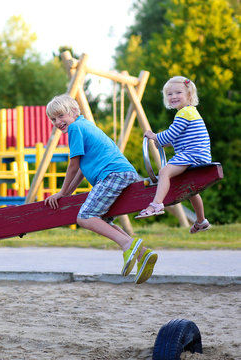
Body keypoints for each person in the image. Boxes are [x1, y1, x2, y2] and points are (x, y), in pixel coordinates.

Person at [44, 94, 157, 284]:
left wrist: (62, 192)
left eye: (60, 116)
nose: (57, 122)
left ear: (73, 112)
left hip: (113, 174)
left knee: (85, 217)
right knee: (101, 219)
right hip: (120, 173)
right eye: (53, 119)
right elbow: (81, 168)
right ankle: (142, 255)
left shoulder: (76, 128)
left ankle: (128, 244)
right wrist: (68, 193)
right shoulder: (84, 125)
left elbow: (73, 165)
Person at [135, 76, 212, 234]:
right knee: (191, 190)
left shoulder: (185, 113)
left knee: (164, 172)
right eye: (170, 94)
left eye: (178, 92)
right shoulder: (190, 113)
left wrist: (154, 136)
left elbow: (170, 134)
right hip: (197, 154)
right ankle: (201, 221)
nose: (174, 96)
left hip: (192, 154)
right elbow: (179, 138)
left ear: (189, 95)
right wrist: (164, 143)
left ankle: (156, 204)